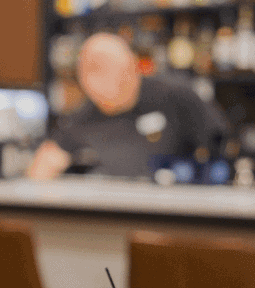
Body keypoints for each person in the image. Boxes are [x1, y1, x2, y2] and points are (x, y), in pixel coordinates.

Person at [28, 33, 230, 180]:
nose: (104, 101)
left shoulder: (175, 95)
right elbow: (47, 161)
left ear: (131, 69)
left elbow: (223, 147)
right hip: (119, 212)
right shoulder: (86, 114)